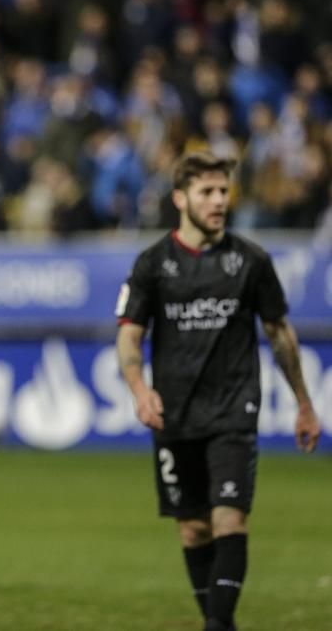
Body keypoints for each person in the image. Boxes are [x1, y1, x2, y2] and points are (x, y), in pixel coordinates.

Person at [115, 150, 321, 631]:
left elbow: (279, 333)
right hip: (175, 412)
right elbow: (129, 335)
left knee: (229, 518)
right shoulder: (152, 263)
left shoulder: (250, 260)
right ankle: (218, 620)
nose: (219, 201)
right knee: (193, 527)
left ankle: (217, 624)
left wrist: (304, 404)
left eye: (224, 191)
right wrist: (140, 390)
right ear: (181, 198)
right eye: (207, 192)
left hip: (234, 409)